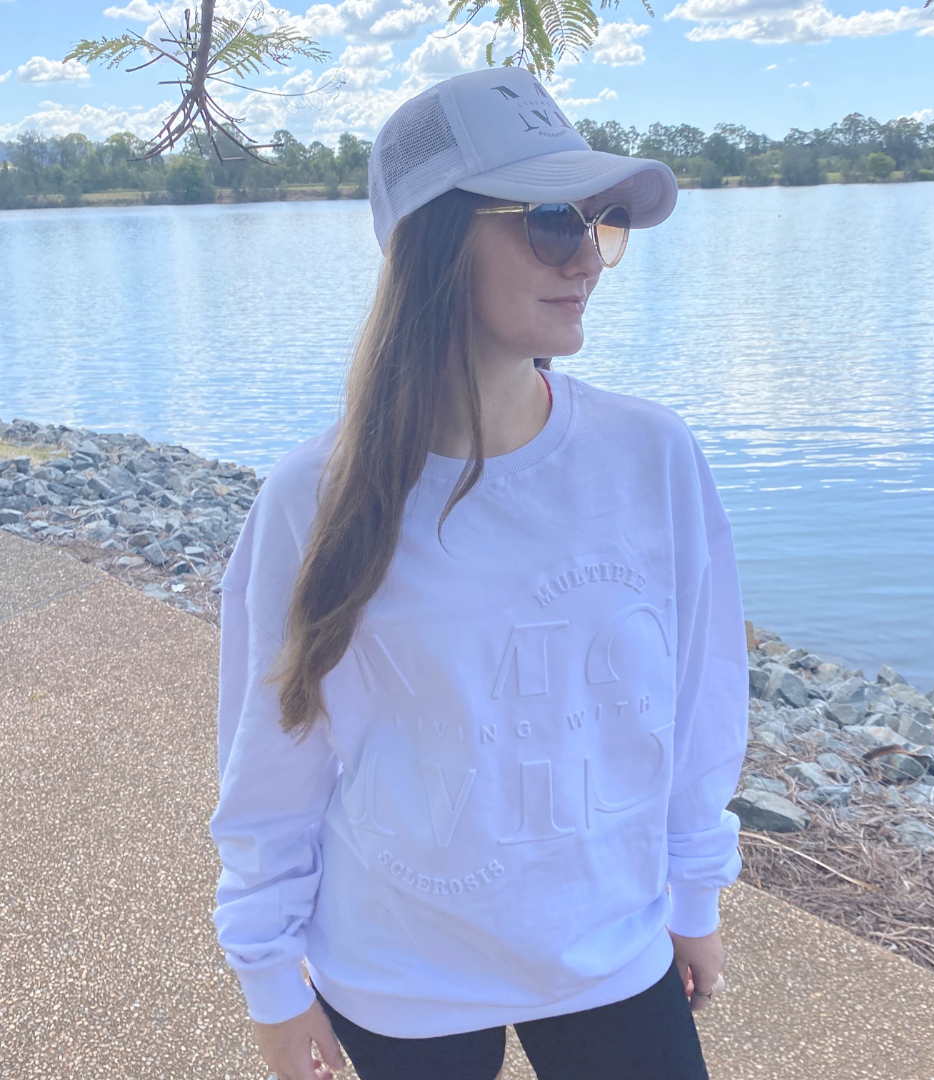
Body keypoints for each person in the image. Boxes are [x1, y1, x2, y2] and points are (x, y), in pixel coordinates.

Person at [208, 66, 749, 1080]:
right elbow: (275, 762)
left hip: (612, 948)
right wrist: (272, 982)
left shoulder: (651, 456)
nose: (588, 256)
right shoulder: (313, 499)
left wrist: (694, 892)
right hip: (398, 973)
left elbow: (697, 699)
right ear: (435, 240)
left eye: (601, 223)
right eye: (551, 221)